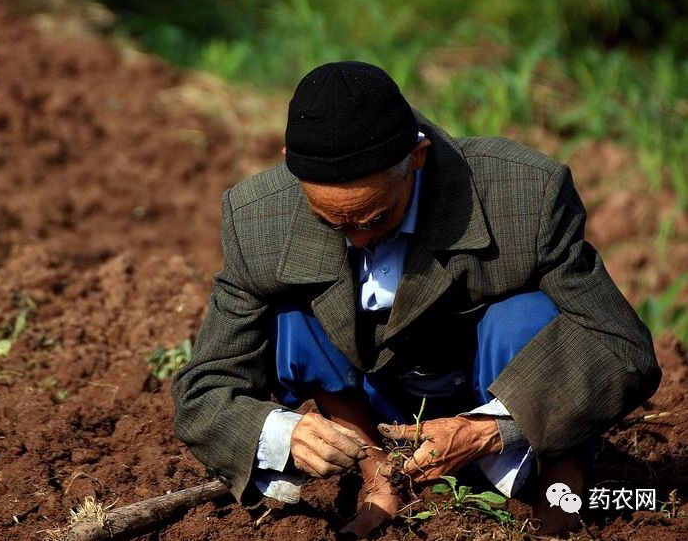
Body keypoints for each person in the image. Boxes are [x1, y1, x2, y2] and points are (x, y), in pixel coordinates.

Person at [171, 61, 661, 536]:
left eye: (377, 218)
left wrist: (488, 430)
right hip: (369, 405)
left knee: (526, 317)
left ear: (418, 157)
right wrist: (284, 435)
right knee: (291, 314)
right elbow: (205, 388)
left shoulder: (523, 195)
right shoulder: (258, 220)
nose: (359, 240)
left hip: (488, 394)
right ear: (290, 167)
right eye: (333, 223)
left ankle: (555, 493)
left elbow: (620, 345)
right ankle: (377, 476)